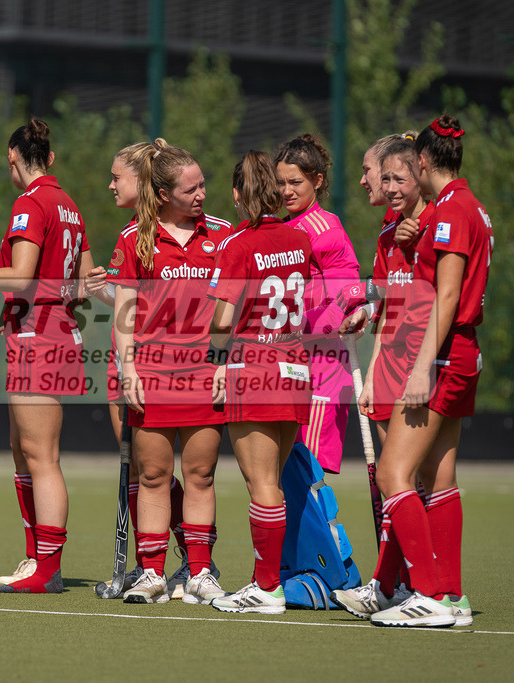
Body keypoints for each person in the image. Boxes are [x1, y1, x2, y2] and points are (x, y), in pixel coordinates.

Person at [360, 114, 493, 627]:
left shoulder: (452, 210)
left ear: (421, 161)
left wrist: (419, 369)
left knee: (395, 474)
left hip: (441, 355)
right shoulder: (467, 206)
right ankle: (452, 596)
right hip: (458, 352)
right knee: (439, 478)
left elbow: (447, 294)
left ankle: (431, 594)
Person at [0, 116, 92, 594]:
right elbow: (87, 282)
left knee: (41, 456)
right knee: (24, 451)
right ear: (49, 158)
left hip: (39, 337)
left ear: (14, 159)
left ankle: (47, 567)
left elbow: (20, 276)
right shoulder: (70, 205)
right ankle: (36, 557)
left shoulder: (30, 203)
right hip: (56, 334)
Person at [108, 140, 233, 605]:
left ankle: (200, 572)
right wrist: (129, 369)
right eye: (191, 188)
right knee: (156, 476)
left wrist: (225, 365)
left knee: (199, 475)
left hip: (205, 372)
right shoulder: (133, 237)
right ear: (162, 194)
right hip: (152, 375)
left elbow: (234, 310)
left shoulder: (223, 234)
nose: (202, 194)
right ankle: (152, 574)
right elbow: (123, 313)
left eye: (203, 185)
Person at [84, 142, 202, 596]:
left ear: (146, 182)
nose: (112, 185)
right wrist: (101, 292)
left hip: (158, 369)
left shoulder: (149, 233)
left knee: (151, 471)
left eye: (119, 177)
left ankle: (189, 560)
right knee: (141, 471)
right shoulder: (132, 233)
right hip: (129, 363)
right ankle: (149, 563)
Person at [205, 150, 313, 613]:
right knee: (273, 481)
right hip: (295, 367)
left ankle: (266, 587)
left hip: (255, 368)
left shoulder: (237, 244)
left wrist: (214, 358)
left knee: (261, 483)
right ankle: (268, 581)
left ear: (236, 194)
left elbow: (224, 320)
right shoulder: (300, 239)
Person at [332, 134, 433, 615]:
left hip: (420, 368)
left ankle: (428, 587)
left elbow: (432, 301)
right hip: (389, 365)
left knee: (404, 480)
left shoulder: (426, 228)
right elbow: (387, 302)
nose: (369, 180)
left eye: (375, 171)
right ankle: (389, 584)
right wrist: (366, 318)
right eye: (380, 175)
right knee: (400, 482)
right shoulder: (387, 234)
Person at [274, 135, 360, 475]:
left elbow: (347, 296)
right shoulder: (281, 228)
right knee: (283, 473)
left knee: (309, 476)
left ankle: (326, 531)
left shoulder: (325, 229)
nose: (286, 191)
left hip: (323, 368)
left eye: (296, 182)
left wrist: (293, 330)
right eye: (280, 183)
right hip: (289, 364)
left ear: (317, 180)